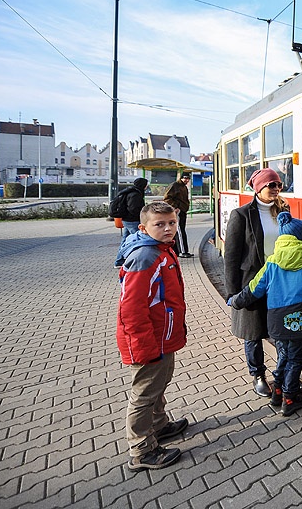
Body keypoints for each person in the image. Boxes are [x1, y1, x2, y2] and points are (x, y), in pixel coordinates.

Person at [228, 213, 302, 416]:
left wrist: (235, 301)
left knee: (284, 354)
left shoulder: (271, 264)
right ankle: (290, 397)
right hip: (300, 321)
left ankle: (277, 391)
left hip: (276, 322)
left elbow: (253, 290)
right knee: (295, 359)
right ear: (301, 239)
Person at [224, 168, 302, 399]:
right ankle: (259, 375)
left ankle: (286, 375)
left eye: (279, 185)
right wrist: (232, 292)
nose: (276, 189)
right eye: (271, 185)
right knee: (253, 332)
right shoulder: (241, 215)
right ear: (259, 187)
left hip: (280, 282)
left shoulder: (284, 210)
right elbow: (231, 256)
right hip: (252, 281)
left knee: (284, 332)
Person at [116, 201, 188, 471]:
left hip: (161, 335)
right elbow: (131, 308)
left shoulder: (161, 249)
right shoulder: (145, 257)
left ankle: (159, 425)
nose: (168, 228)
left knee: (159, 384)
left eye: (172, 223)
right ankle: (142, 450)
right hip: (148, 340)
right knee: (144, 394)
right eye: (160, 224)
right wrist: (143, 346)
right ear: (144, 227)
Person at [114, 178, 149, 268]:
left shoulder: (131, 191)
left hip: (127, 220)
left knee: (125, 241)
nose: (147, 186)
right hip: (133, 221)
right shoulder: (135, 194)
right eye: (146, 184)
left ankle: (119, 261)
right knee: (139, 240)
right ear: (143, 185)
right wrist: (141, 216)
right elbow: (133, 208)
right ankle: (137, 260)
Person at [163, 174, 192, 258]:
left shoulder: (183, 187)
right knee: (179, 231)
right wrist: (175, 207)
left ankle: (178, 250)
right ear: (181, 178)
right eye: (185, 178)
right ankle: (183, 251)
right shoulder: (175, 186)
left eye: (188, 179)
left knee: (180, 230)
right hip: (178, 211)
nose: (187, 180)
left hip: (182, 210)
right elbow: (167, 198)